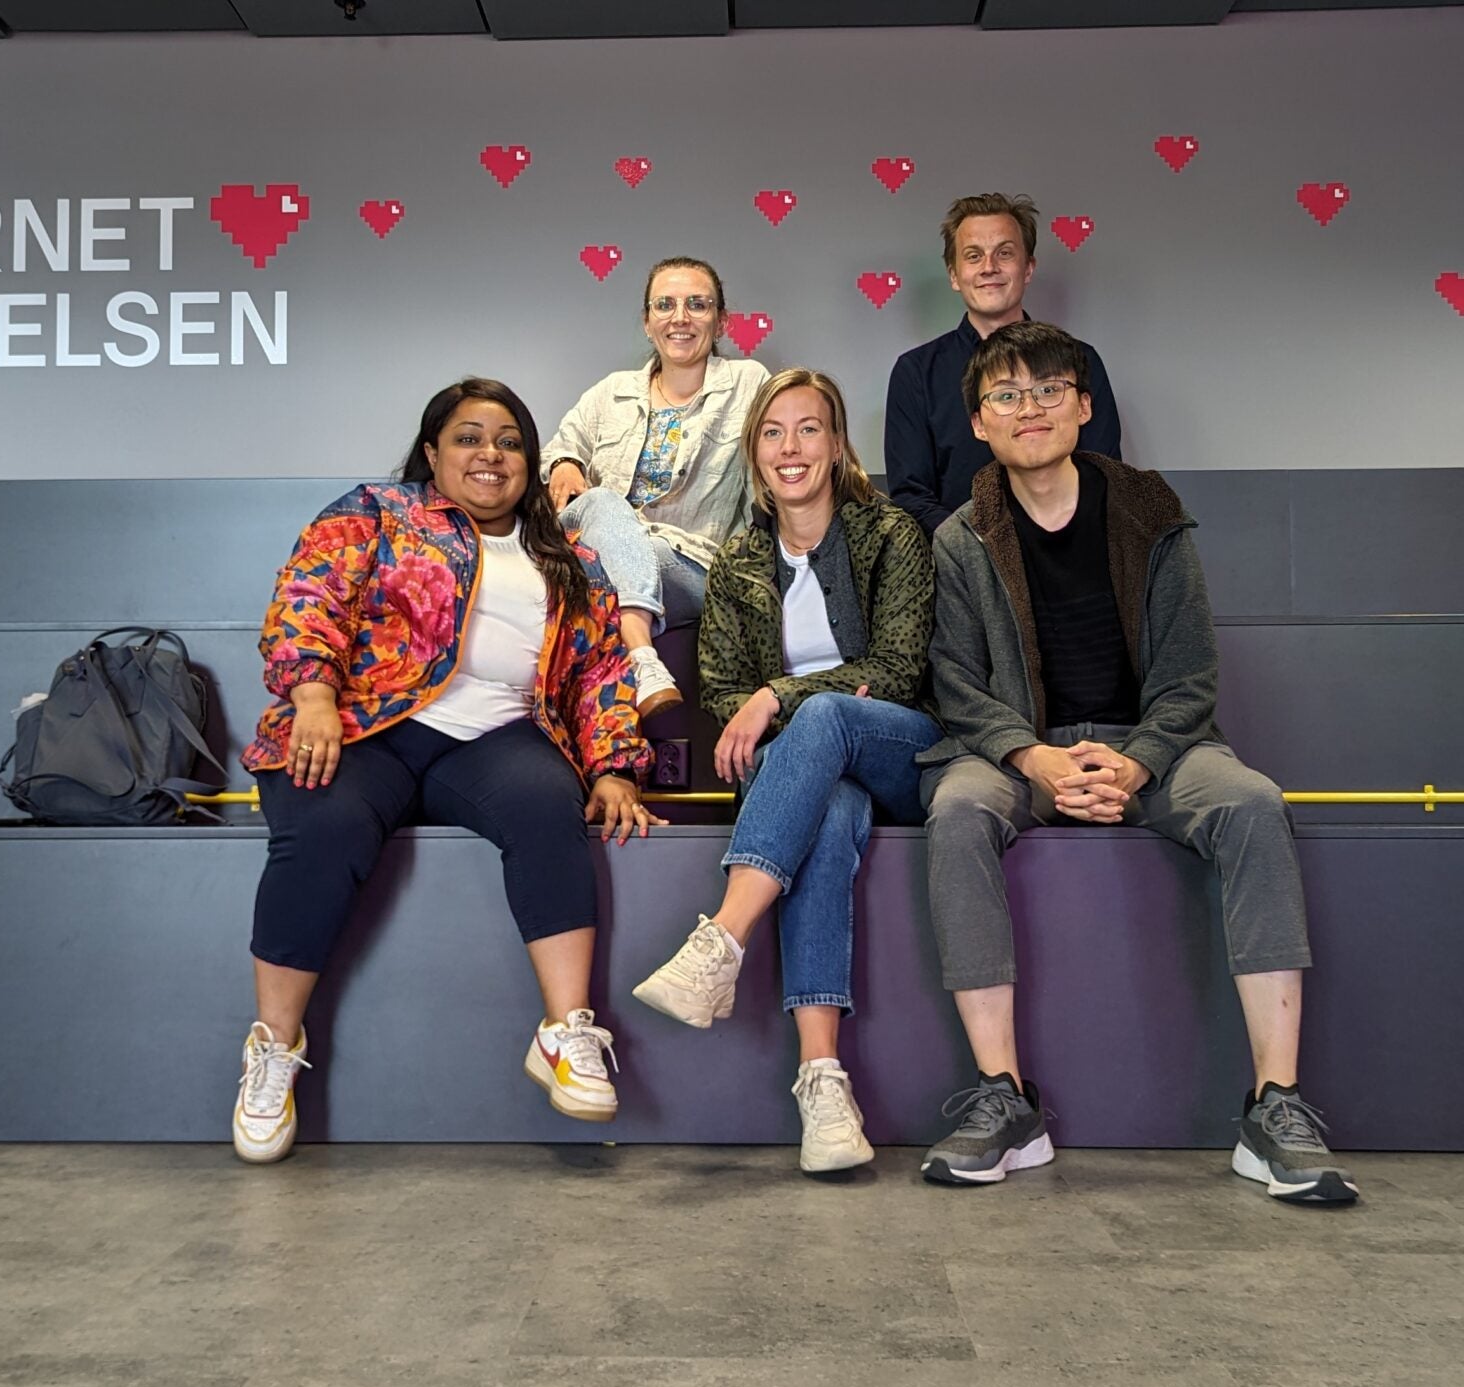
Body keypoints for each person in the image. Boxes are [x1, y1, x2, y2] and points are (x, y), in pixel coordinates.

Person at [915, 322, 1357, 1204]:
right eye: (1006, 395)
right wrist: (1037, 758)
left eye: (1048, 389)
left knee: (1253, 802)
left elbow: (1191, 674)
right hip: (1021, 751)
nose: (1028, 408)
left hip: (1157, 743)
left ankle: (1275, 1107)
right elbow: (957, 686)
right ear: (979, 424)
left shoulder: (1153, 517)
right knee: (957, 811)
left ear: (1084, 405)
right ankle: (1005, 1099)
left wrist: (1139, 763)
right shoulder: (962, 538)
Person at [232, 377, 667, 1164]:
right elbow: (308, 597)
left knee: (547, 805)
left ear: (531, 462)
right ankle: (273, 1048)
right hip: (369, 721)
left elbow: (602, 671)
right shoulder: (375, 512)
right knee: (322, 823)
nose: (490, 454)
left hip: (496, 735)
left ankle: (565, 1033)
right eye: (469, 437)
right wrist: (315, 696)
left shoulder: (571, 556)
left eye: (508, 441)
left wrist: (614, 768)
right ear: (432, 452)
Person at [627, 368, 938, 1175]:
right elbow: (723, 690)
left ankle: (724, 938)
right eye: (773, 432)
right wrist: (765, 701)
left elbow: (898, 670)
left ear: (836, 445)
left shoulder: (888, 535)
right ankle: (823, 1082)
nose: (790, 448)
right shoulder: (738, 562)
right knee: (827, 814)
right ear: (755, 451)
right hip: (811, 770)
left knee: (832, 718)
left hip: (901, 746)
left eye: (808, 429)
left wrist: (778, 696)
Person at [543, 257, 771, 715]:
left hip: (691, 565)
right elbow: (559, 448)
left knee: (589, 573)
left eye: (697, 305)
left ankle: (629, 651)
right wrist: (565, 462)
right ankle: (642, 656)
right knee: (602, 505)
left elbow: (777, 468)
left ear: (721, 321)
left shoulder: (749, 383)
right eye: (664, 305)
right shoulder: (612, 391)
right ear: (647, 322)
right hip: (598, 551)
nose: (680, 318)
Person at [883, 193, 1122, 537]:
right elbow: (912, 497)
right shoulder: (916, 373)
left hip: (1069, 560)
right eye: (973, 255)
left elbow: (1104, 474)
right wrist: (980, 548)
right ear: (953, 274)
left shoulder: (1080, 360)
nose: (989, 267)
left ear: (1028, 269)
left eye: (1005, 253)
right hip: (960, 574)